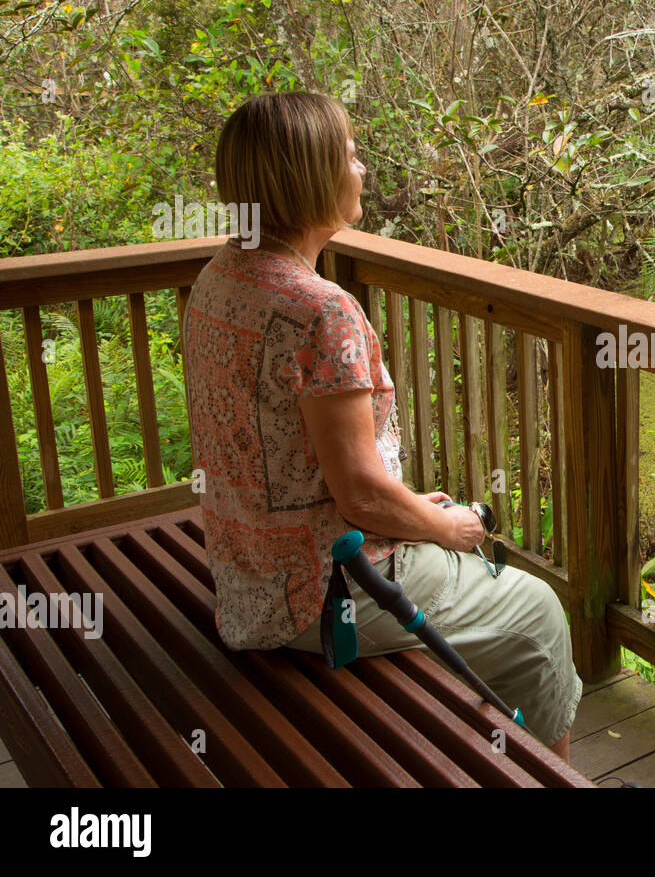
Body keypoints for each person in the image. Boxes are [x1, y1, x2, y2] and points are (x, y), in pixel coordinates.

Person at [182, 91, 582, 760]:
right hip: (322, 596)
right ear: (310, 177)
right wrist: (446, 528)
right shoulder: (319, 311)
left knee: (469, 570)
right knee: (538, 610)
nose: (362, 169)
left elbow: (310, 470)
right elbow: (360, 495)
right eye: (351, 156)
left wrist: (406, 515)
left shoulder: (220, 280)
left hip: (247, 577)